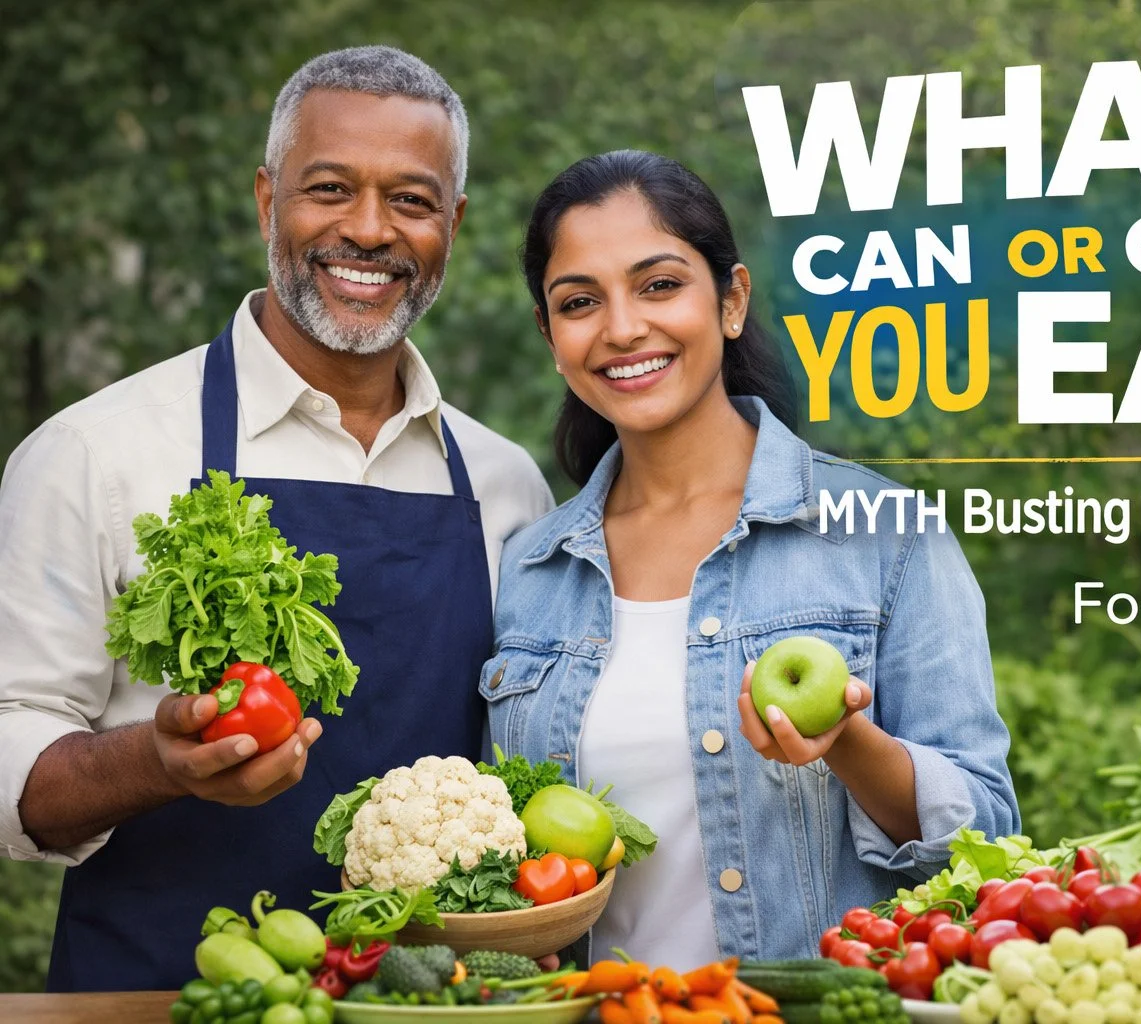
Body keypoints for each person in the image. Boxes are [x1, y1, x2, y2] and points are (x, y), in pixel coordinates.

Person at [0, 46, 553, 991]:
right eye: (329, 189)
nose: (368, 230)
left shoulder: (506, 484)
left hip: (431, 1006)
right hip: (159, 1000)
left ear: (453, 225)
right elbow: (12, 746)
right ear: (267, 201)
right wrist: (157, 763)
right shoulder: (94, 452)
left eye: (411, 200)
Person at [484, 150, 1021, 967]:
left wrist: (847, 741)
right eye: (580, 302)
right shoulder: (528, 570)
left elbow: (989, 840)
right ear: (551, 337)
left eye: (659, 285)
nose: (622, 328)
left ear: (731, 300)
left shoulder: (886, 534)